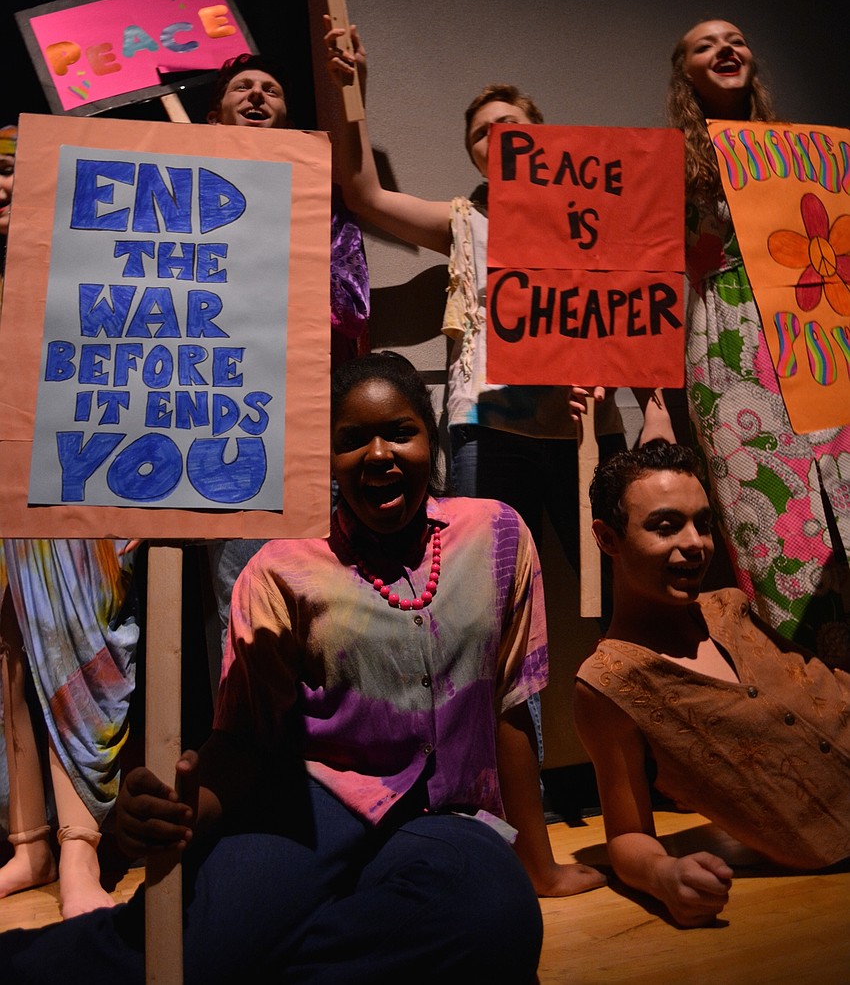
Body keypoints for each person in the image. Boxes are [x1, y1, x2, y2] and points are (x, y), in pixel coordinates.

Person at [0, 351, 605, 984]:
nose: (378, 454)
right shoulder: (282, 569)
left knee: (496, 921)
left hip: (447, 820)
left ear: (431, 436)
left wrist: (538, 865)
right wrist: (176, 809)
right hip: (308, 810)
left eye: (400, 431)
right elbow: (242, 741)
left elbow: (510, 711)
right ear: (329, 458)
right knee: (185, 946)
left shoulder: (496, 535)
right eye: (353, 441)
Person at [324, 21, 625, 617]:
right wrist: (352, 91)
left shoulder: (596, 215)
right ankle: (511, 716)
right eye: (482, 134)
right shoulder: (465, 221)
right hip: (488, 425)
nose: (497, 137)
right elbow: (364, 193)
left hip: (585, 426)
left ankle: (623, 706)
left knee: (617, 587)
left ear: (545, 138)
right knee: (491, 603)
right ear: (475, 155)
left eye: (510, 125)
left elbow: (634, 314)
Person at [574, 439, 850, 929]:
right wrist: (663, 874)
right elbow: (626, 836)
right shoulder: (612, 682)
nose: (695, 543)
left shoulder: (732, 607)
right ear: (607, 538)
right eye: (664, 526)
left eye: (702, 524)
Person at [645, 20, 850, 667]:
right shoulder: (668, 161)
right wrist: (652, 395)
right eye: (705, 44)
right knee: (766, 500)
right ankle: (808, 670)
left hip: (812, 322)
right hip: (729, 334)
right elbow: (643, 274)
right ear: (685, 73)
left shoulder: (800, 152)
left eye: (734, 38)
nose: (725, 48)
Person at [0, 123, 138, 918]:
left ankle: (81, 847)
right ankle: (29, 841)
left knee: (77, 647)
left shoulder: (80, 267)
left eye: (20, 173)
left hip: (66, 471)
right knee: (12, 649)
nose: (5, 187)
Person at [204, 52, 371, 645]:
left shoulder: (318, 211)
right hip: (216, 423)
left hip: (304, 426)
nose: (256, 96)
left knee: (323, 594)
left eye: (271, 90)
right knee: (238, 595)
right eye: (243, 87)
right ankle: (240, 732)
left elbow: (353, 310)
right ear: (214, 115)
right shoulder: (180, 202)